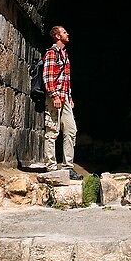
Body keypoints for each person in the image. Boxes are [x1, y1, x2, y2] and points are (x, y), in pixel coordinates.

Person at [42, 25, 83, 180]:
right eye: (64, 32)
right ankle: (51, 167)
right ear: (57, 36)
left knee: (71, 130)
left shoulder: (64, 54)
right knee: (52, 131)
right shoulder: (52, 53)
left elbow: (66, 79)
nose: (67, 34)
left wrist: (69, 97)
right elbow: (48, 76)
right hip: (56, 97)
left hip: (65, 98)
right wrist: (54, 96)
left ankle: (68, 167)